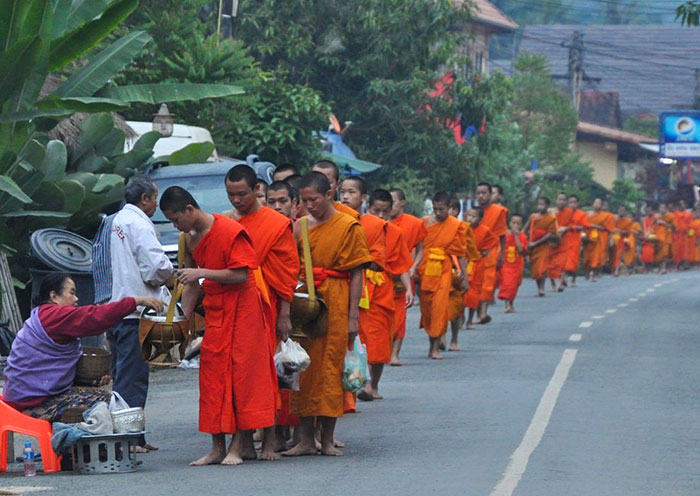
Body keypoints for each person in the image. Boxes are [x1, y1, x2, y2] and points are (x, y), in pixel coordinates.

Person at [160, 186, 276, 466]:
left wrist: (201, 273)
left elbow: (239, 275)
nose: (176, 226)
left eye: (177, 220)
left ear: (190, 209)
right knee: (212, 377)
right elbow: (190, 284)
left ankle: (239, 445)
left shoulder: (228, 230)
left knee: (241, 377)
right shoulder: (188, 238)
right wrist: (181, 320)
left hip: (243, 308)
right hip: (216, 311)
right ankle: (217, 447)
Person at [284, 172, 371, 457]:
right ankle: (306, 439)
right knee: (304, 370)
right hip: (306, 302)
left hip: (336, 298)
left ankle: (329, 439)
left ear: (329, 195)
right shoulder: (299, 227)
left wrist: (353, 317)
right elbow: (289, 265)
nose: (309, 205)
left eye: (314, 199)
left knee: (331, 372)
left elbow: (357, 272)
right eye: (305, 200)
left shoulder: (348, 226)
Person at [2, 274, 164, 421]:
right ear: (54, 296)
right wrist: (134, 301)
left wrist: (90, 381)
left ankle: (77, 451)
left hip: (24, 394)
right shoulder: (52, 316)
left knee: (95, 395)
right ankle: (80, 451)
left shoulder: (44, 315)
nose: (76, 298)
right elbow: (92, 317)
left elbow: (50, 368)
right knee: (104, 402)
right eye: (71, 293)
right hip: (30, 401)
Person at [223, 165, 300, 460]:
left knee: (265, 374)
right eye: (230, 194)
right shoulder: (226, 222)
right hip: (235, 307)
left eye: (242, 194)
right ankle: (243, 437)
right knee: (236, 374)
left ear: (256, 190)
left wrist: (284, 314)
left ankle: (269, 438)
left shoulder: (275, 224)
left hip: (265, 308)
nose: (236, 200)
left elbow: (286, 273)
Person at [92, 175, 173, 452]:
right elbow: (156, 267)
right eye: (154, 198)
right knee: (132, 376)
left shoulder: (109, 221)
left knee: (121, 373)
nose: (156, 204)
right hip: (134, 311)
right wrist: (172, 276)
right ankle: (129, 438)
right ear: (145, 199)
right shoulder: (138, 222)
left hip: (111, 309)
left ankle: (131, 436)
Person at [339, 177, 391, 403]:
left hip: (370, 288)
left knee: (371, 339)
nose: (345, 196)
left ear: (363, 198)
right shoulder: (329, 220)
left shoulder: (375, 225)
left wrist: (358, 260)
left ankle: (369, 384)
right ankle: (347, 391)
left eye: (351, 192)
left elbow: (380, 260)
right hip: (338, 286)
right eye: (343, 191)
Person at [418, 191, 468, 360]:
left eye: (442, 209)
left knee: (439, 308)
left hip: (444, 271)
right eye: (435, 209)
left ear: (449, 208)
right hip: (425, 271)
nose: (438, 213)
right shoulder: (424, 224)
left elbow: (460, 253)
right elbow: (416, 248)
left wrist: (464, 277)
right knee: (427, 311)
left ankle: (434, 348)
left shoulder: (455, 225)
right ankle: (431, 340)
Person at [369, 189, 414, 360]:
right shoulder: (359, 227)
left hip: (383, 288)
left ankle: (373, 381)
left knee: (382, 330)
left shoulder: (395, 233)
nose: (380, 216)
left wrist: (409, 289)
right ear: (368, 207)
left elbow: (401, 264)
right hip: (362, 287)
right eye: (376, 211)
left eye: (385, 212)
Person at [389, 188, 427, 366]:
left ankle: (395, 353)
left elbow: (420, 249)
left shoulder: (413, 223)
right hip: (382, 276)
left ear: (402, 203)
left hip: (404, 273)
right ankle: (383, 351)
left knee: (400, 316)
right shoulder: (380, 223)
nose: (390, 205)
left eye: (393, 201)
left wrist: (413, 267)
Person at [475, 182, 507, 324]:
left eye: (484, 193)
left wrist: (503, 254)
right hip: (475, 251)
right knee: (475, 282)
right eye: (478, 193)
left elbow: (501, 235)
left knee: (487, 282)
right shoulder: (474, 212)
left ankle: (483, 313)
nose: (481, 196)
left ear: (490, 194)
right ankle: (477, 312)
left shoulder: (498, 211)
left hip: (491, 250)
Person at [463, 208, 494, 329]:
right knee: (461, 291)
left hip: (477, 263)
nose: (470, 219)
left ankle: (470, 320)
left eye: (474, 216)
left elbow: (493, 241)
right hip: (464, 262)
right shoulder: (462, 228)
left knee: (474, 292)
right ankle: (460, 317)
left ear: (480, 219)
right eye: (468, 216)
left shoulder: (485, 230)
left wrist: (486, 250)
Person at [527, 197, 558, 296]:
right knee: (535, 268)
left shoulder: (551, 218)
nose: (540, 207)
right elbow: (525, 228)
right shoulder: (533, 217)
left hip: (543, 246)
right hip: (532, 246)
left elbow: (550, 234)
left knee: (542, 267)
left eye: (542, 205)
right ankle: (538, 287)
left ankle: (542, 288)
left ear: (547, 206)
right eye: (539, 204)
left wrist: (536, 243)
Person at [498, 215, 528, 313]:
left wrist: (516, 236)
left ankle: (511, 303)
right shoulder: (504, 235)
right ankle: (507, 305)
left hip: (517, 264)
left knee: (514, 285)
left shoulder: (522, 236)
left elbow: (521, 249)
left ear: (521, 225)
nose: (515, 225)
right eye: (513, 223)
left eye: (518, 223)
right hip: (506, 263)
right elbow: (499, 248)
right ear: (509, 223)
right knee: (507, 283)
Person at [547, 193, 573, 292]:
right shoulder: (550, 212)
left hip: (563, 241)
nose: (561, 202)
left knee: (561, 263)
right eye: (559, 199)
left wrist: (565, 228)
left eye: (563, 200)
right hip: (551, 241)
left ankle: (561, 281)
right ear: (556, 200)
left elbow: (573, 225)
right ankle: (553, 283)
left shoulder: (569, 212)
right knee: (550, 264)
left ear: (566, 202)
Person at [583, 198, 614, 282]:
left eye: (599, 203)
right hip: (589, 238)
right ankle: (587, 270)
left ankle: (594, 274)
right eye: (595, 202)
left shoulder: (607, 216)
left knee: (598, 256)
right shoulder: (587, 214)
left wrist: (611, 240)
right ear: (593, 204)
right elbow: (584, 225)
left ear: (601, 205)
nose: (597, 204)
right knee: (588, 256)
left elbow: (609, 228)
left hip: (600, 238)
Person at [565, 195, 590, 287]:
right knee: (564, 259)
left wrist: (573, 227)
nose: (572, 204)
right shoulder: (564, 213)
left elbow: (585, 226)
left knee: (574, 260)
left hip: (575, 239)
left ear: (577, 203)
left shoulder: (581, 214)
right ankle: (564, 278)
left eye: (574, 202)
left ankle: (573, 280)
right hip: (565, 239)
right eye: (570, 202)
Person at [612, 205, 634, 276]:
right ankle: (615, 269)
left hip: (624, 239)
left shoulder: (628, 221)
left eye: (623, 210)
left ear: (625, 212)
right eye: (620, 210)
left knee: (620, 255)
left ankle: (617, 270)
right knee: (613, 255)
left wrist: (620, 231)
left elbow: (628, 231)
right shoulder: (614, 219)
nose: (621, 212)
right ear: (618, 211)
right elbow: (610, 228)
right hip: (613, 239)